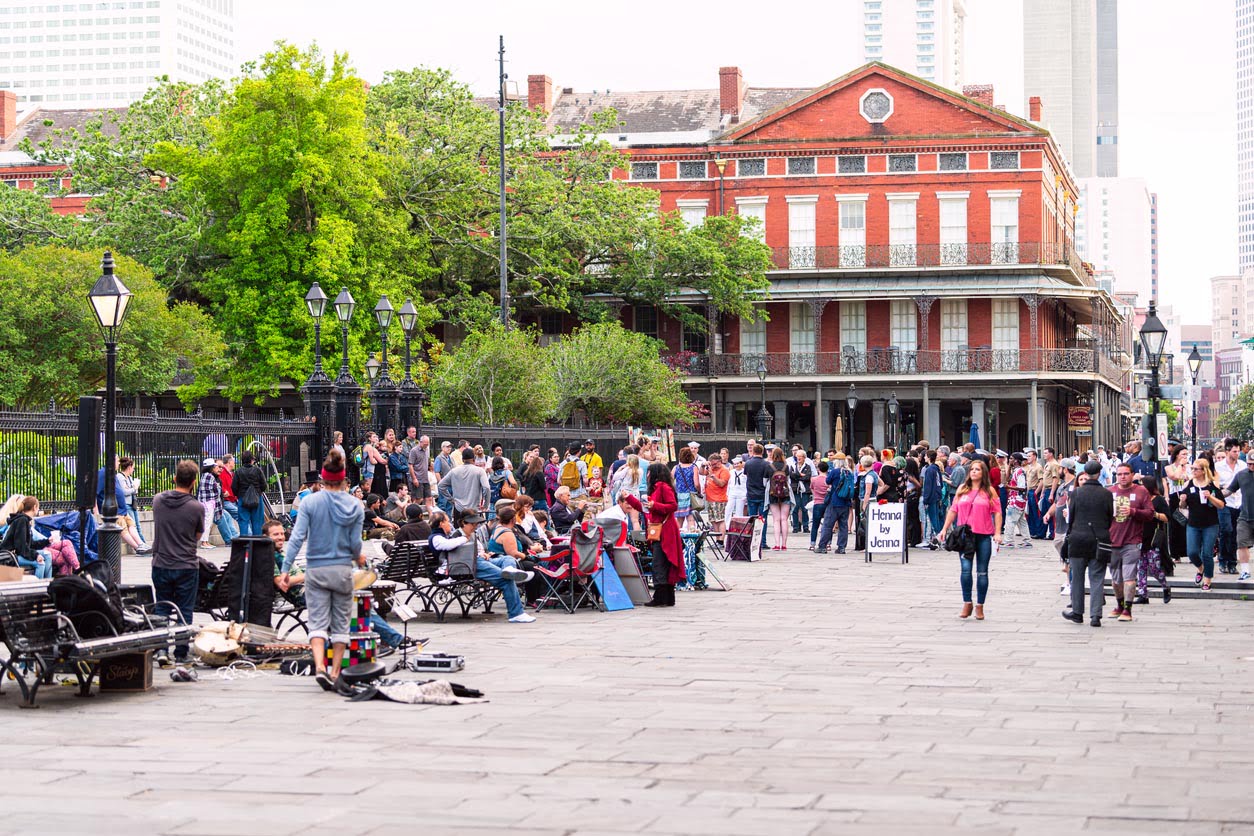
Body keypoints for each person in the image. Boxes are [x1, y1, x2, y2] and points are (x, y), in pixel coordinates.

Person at [280, 448, 366, 692]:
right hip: (342, 570)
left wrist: (286, 568)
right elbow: (355, 545)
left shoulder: (310, 502)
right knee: (340, 625)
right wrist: (358, 558)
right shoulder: (355, 505)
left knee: (317, 623)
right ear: (343, 480)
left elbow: (297, 538)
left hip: (316, 569)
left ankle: (319, 667)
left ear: (323, 479)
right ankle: (336, 671)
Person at [429, 509, 536, 623]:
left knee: (508, 559)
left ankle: (509, 569)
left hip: (476, 561)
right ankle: (516, 613)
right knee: (506, 579)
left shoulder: (461, 534)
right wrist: (465, 540)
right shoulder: (444, 536)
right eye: (447, 521)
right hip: (468, 565)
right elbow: (450, 547)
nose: (475, 526)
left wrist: (484, 553)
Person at [150, 460, 205, 668]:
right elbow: (198, 535)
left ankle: (162, 649)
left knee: (162, 607)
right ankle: (181, 652)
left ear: (174, 478)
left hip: (161, 562)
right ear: (193, 482)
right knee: (184, 610)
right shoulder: (196, 507)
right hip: (186, 564)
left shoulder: (157, 501)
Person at [938, 459, 1003, 621]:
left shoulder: (989, 491)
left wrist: (997, 532)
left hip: (983, 535)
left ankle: (980, 605)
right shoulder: (962, 489)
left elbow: (997, 512)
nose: (974, 472)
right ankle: (967, 602)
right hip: (965, 536)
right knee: (965, 570)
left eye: (977, 470)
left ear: (983, 473)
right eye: (972, 469)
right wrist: (945, 528)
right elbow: (953, 510)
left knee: (982, 572)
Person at [1061, 460, 1114, 626]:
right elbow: (1109, 517)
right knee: (1097, 578)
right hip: (1099, 539)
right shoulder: (1106, 494)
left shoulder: (1076, 493)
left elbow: (1072, 516)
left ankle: (1077, 612)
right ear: (1099, 473)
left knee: (1077, 578)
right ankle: (1096, 616)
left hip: (1078, 539)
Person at [1106, 462, 1155, 622]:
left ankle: (1128, 609)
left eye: (1126, 474)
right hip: (1112, 541)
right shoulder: (1110, 491)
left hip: (1132, 541)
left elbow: (1150, 513)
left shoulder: (1141, 492)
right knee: (1116, 579)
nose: (1122, 477)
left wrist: (1133, 512)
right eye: (1119, 474)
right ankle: (1119, 605)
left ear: (1132, 475)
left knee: (1129, 577)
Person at [644, 461, 685, 606]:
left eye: (649, 472)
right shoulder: (656, 489)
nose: (647, 475)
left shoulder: (663, 487)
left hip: (665, 529)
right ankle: (667, 596)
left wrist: (655, 505)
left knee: (659, 562)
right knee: (661, 561)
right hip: (659, 528)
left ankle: (661, 595)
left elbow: (673, 506)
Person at [1181, 457, 1226, 590]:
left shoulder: (1211, 485)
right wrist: (1182, 500)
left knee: (1207, 553)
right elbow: (1183, 506)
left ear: (1203, 471)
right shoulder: (1189, 484)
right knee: (1192, 552)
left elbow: (1221, 505)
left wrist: (1210, 496)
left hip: (1210, 524)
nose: (1193, 471)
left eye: (1196, 469)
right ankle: (1201, 568)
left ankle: (1207, 580)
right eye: (1192, 468)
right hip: (1193, 523)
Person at [1135, 478, 1173, 605]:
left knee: (1154, 567)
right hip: (1139, 537)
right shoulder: (1139, 500)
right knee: (1141, 567)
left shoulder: (1159, 500)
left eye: (1142, 485)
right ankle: (1142, 594)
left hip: (1153, 538)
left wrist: (1154, 514)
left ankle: (1165, 586)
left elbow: (1167, 518)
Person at [0, 496, 52, 578]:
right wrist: (36, 555)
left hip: (18, 553)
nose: (38, 510)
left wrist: (47, 541)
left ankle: (48, 584)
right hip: (11, 556)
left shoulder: (25, 520)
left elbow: (30, 544)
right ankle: (38, 589)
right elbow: (21, 547)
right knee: (40, 563)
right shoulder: (22, 520)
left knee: (47, 555)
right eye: (38, 508)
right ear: (35, 507)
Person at [1222, 452, 1254, 581]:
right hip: (1245, 516)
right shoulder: (1241, 475)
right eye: (1249, 464)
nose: (1251, 466)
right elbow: (1229, 490)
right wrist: (1215, 495)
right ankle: (1245, 571)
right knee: (1241, 543)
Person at [815, 454, 855, 554]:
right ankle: (841, 547)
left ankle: (822, 546)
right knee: (843, 526)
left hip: (834, 501)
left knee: (828, 525)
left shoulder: (835, 471)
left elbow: (827, 481)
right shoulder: (849, 472)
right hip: (845, 502)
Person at [1215, 439, 1243, 575]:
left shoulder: (1242, 465)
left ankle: (1232, 562)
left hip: (1239, 503)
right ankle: (1222, 560)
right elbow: (1214, 485)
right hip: (1224, 502)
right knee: (1226, 530)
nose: (1237, 453)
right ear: (1227, 451)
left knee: (1235, 533)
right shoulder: (1218, 466)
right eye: (1234, 451)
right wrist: (1222, 488)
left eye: (1238, 451)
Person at [437, 447, 491, 516]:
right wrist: (485, 505)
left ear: (462, 459)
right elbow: (486, 488)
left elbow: (441, 485)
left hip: (458, 509)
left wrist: (451, 500)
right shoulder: (480, 471)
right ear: (474, 459)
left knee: (459, 527)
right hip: (474, 509)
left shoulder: (454, 471)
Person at [232, 451, 268, 537]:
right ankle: (257, 542)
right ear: (252, 460)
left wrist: (238, 495)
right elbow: (264, 485)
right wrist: (259, 491)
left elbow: (234, 487)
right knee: (257, 521)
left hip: (242, 497)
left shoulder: (238, 471)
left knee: (243, 521)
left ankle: (244, 542)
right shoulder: (257, 470)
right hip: (257, 498)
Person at [764, 447, 791, 551]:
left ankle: (776, 544)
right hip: (785, 494)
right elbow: (788, 480)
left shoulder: (769, 466)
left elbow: (764, 481)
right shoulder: (786, 466)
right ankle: (784, 544)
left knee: (776, 520)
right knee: (784, 519)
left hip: (772, 494)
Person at [1003, 453, 1031, 548]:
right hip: (1018, 500)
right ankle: (1027, 540)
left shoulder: (1019, 472)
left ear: (1015, 460)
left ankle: (1009, 541)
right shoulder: (1016, 471)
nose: (1009, 460)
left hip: (1016, 500)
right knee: (1021, 521)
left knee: (1010, 521)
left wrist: (1009, 487)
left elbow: (1022, 487)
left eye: (1011, 459)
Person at [118, 456, 146, 546]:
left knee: (137, 526)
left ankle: (143, 544)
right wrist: (134, 488)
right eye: (133, 468)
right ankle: (142, 545)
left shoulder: (129, 478)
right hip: (126, 504)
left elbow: (130, 490)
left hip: (132, 504)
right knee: (133, 526)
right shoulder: (120, 477)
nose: (133, 470)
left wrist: (132, 488)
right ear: (129, 467)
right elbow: (124, 492)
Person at [197, 458, 224, 550]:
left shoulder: (203, 476)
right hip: (209, 503)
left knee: (206, 522)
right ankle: (204, 542)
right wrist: (219, 488)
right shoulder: (210, 476)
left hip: (204, 502)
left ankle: (206, 541)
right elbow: (215, 491)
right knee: (207, 523)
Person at [787, 447, 815, 535]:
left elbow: (807, 477)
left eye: (800, 456)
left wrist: (797, 475)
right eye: (797, 456)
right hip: (795, 489)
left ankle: (805, 526)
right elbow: (791, 475)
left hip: (805, 490)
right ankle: (795, 526)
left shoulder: (807, 467)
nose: (798, 458)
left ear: (804, 457)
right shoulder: (792, 466)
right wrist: (800, 475)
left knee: (804, 508)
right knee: (795, 508)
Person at [672, 447, 699, 532]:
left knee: (679, 520)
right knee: (691, 520)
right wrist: (698, 491)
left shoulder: (676, 467)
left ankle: (678, 540)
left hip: (679, 496)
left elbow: (669, 480)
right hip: (690, 496)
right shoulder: (693, 467)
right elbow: (696, 483)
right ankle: (691, 540)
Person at [704, 453, 730, 536]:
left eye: (714, 464)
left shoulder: (724, 470)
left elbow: (721, 484)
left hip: (719, 499)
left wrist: (712, 475)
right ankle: (717, 539)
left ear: (719, 462)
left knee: (720, 520)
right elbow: (701, 473)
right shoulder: (711, 468)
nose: (713, 466)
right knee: (713, 520)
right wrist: (703, 465)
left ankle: (721, 541)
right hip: (710, 498)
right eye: (711, 464)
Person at [407, 435, 431, 506]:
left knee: (429, 498)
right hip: (418, 478)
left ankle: (431, 516)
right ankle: (411, 511)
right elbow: (410, 465)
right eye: (425, 444)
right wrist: (414, 479)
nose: (426, 445)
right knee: (418, 499)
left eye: (427, 444)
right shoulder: (414, 451)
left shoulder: (427, 449)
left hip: (425, 478)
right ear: (420, 442)